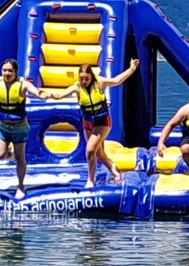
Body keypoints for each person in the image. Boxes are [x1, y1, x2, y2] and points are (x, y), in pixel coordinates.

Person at [44, 59, 140, 188]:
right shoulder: (77, 87)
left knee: (90, 150)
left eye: (87, 79)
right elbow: (61, 94)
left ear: (91, 77)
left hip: (102, 122)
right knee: (98, 153)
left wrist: (132, 69)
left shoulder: (99, 82)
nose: (84, 82)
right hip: (88, 123)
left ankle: (90, 180)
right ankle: (114, 169)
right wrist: (51, 95)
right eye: (82, 78)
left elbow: (117, 80)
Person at [0, 58, 46, 200]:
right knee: (0, 155)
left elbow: (35, 92)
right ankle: (13, 156)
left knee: (21, 158)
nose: (7, 73)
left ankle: (21, 186)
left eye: (10, 71)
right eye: (4, 70)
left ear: (15, 72)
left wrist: (42, 94)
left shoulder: (23, 85)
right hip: (3, 126)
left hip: (19, 127)